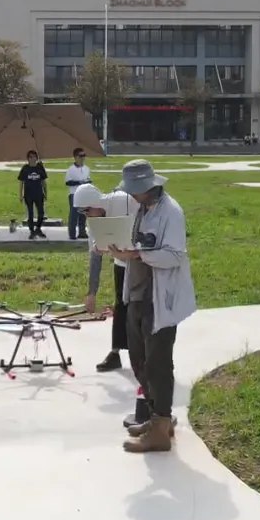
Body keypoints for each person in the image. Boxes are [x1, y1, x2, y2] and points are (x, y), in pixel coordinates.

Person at [106, 160, 197, 454]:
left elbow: (174, 256)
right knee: (139, 359)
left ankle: (160, 428)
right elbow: (138, 245)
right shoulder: (143, 209)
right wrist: (114, 247)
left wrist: (137, 254)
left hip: (159, 298)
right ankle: (160, 418)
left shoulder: (171, 212)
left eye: (136, 191)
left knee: (157, 363)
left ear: (149, 187)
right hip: (138, 293)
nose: (132, 196)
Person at [73, 183, 140, 379]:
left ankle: (142, 353)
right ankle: (115, 352)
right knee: (120, 305)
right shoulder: (93, 224)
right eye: (82, 212)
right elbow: (95, 258)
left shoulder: (122, 200)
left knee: (139, 306)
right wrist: (92, 293)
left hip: (139, 261)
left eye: (87, 210)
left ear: (96, 203)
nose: (86, 215)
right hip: (120, 263)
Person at [17, 150, 48, 239]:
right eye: (30, 157)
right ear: (28, 159)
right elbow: (21, 183)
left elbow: (44, 182)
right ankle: (32, 231)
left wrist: (46, 193)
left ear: (36, 158)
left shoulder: (40, 168)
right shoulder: (25, 168)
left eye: (34, 157)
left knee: (41, 213)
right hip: (28, 195)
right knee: (30, 214)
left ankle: (38, 228)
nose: (32, 159)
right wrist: (20, 195)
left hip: (39, 194)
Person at [64, 148, 91, 240]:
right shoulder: (71, 169)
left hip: (84, 193)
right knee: (74, 215)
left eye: (84, 155)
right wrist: (79, 182)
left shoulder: (87, 169)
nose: (83, 158)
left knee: (83, 214)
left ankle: (82, 232)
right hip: (74, 194)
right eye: (81, 156)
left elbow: (88, 179)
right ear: (75, 157)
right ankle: (72, 234)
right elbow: (68, 182)